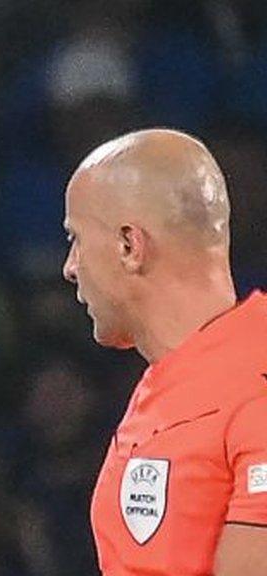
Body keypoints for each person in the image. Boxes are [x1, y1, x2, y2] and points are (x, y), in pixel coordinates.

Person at [62, 128, 267, 575]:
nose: (70, 268)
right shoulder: (168, 383)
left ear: (129, 246)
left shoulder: (257, 385)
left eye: (76, 239)